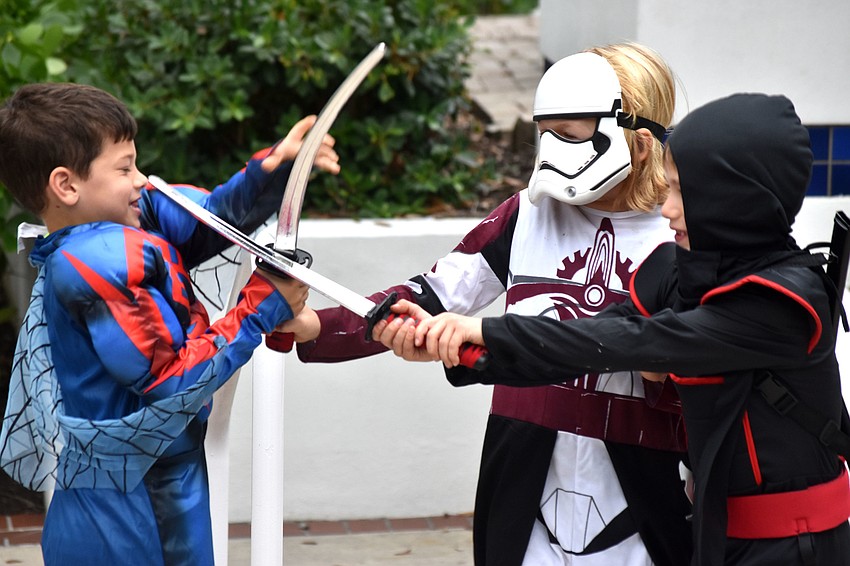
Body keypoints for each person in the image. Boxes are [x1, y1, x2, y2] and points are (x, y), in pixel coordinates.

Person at [383, 93, 850, 565]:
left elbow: (631, 342)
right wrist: (464, 348)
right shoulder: (690, 268)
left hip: (797, 546)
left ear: (734, 197)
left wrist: (488, 330)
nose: (666, 210)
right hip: (721, 537)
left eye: (682, 192)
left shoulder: (783, 304)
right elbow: (595, 333)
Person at [280, 43, 692, 565]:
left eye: (571, 134)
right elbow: (430, 294)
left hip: (647, 493)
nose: (552, 151)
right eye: (547, 133)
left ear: (636, 140)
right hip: (524, 487)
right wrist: (316, 324)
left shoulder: (679, 229)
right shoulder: (526, 216)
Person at [0, 82, 339, 565]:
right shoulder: (93, 261)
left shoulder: (128, 220)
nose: (142, 180)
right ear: (66, 185)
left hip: (162, 478)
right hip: (118, 503)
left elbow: (214, 220)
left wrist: (277, 169)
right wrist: (262, 305)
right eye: (124, 168)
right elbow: (171, 379)